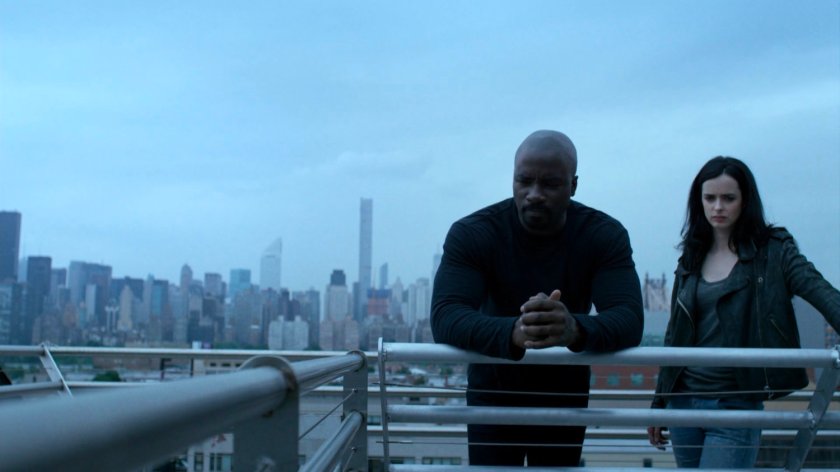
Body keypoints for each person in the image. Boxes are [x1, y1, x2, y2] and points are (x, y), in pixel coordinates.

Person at [431, 129, 644, 466]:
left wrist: (573, 328)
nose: (534, 194)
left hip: (565, 395)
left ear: (573, 185)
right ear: (512, 179)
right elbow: (446, 316)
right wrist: (515, 332)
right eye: (524, 181)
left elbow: (629, 318)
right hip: (492, 395)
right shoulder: (473, 232)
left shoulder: (603, 234)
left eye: (550, 184)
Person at [647, 156, 840, 468]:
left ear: (745, 201)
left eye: (728, 198)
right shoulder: (691, 257)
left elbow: (820, 291)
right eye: (709, 198)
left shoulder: (774, 251)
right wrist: (659, 403)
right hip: (683, 403)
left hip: (735, 403)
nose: (718, 207)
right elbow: (675, 333)